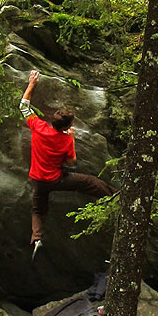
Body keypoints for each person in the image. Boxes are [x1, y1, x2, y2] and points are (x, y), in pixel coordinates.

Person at [20, 70, 116, 257]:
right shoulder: (65, 141)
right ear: (65, 128)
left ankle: (37, 238)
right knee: (89, 182)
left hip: (37, 180)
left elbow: (23, 106)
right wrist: (71, 139)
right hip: (57, 180)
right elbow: (72, 163)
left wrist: (32, 83)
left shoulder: (39, 128)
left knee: (38, 209)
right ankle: (117, 196)